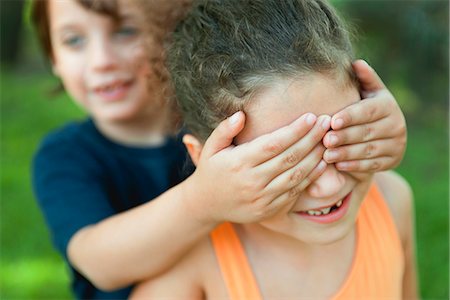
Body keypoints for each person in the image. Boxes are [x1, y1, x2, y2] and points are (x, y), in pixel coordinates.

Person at [30, 0, 407, 299]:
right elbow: (99, 264)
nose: (102, 60)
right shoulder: (65, 158)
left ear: (168, 30)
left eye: (126, 30)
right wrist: (203, 199)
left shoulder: (238, 106)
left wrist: (373, 132)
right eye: (73, 40)